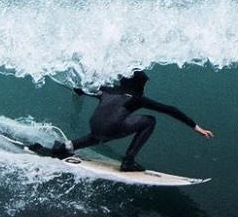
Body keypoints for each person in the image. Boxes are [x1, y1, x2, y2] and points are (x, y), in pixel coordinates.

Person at [30, 70, 214, 172]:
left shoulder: (107, 90)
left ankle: (64, 148)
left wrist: (77, 90)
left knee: (99, 134)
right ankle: (129, 161)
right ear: (138, 85)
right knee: (149, 120)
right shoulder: (136, 97)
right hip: (111, 126)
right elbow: (170, 110)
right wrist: (196, 127)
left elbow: (84, 91)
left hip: (95, 124)